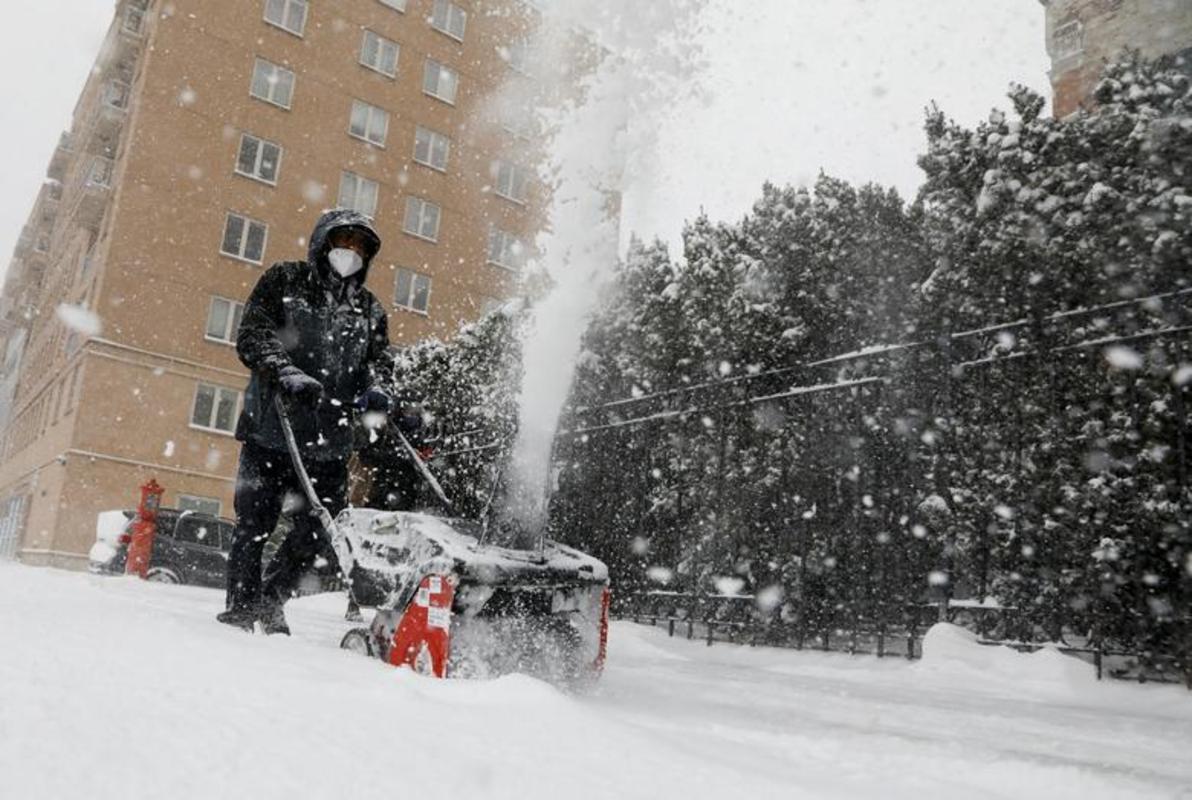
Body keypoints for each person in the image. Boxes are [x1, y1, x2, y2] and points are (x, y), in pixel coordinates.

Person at [218, 209, 393, 634]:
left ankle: (272, 598)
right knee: (254, 524)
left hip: (329, 441)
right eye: (343, 242)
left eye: (359, 247)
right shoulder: (284, 281)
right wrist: (286, 372)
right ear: (322, 243)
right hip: (271, 430)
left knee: (317, 532)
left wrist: (379, 391)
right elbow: (253, 335)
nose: (349, 253)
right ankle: (242, 607)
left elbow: (382, 362)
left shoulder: (368, 310)